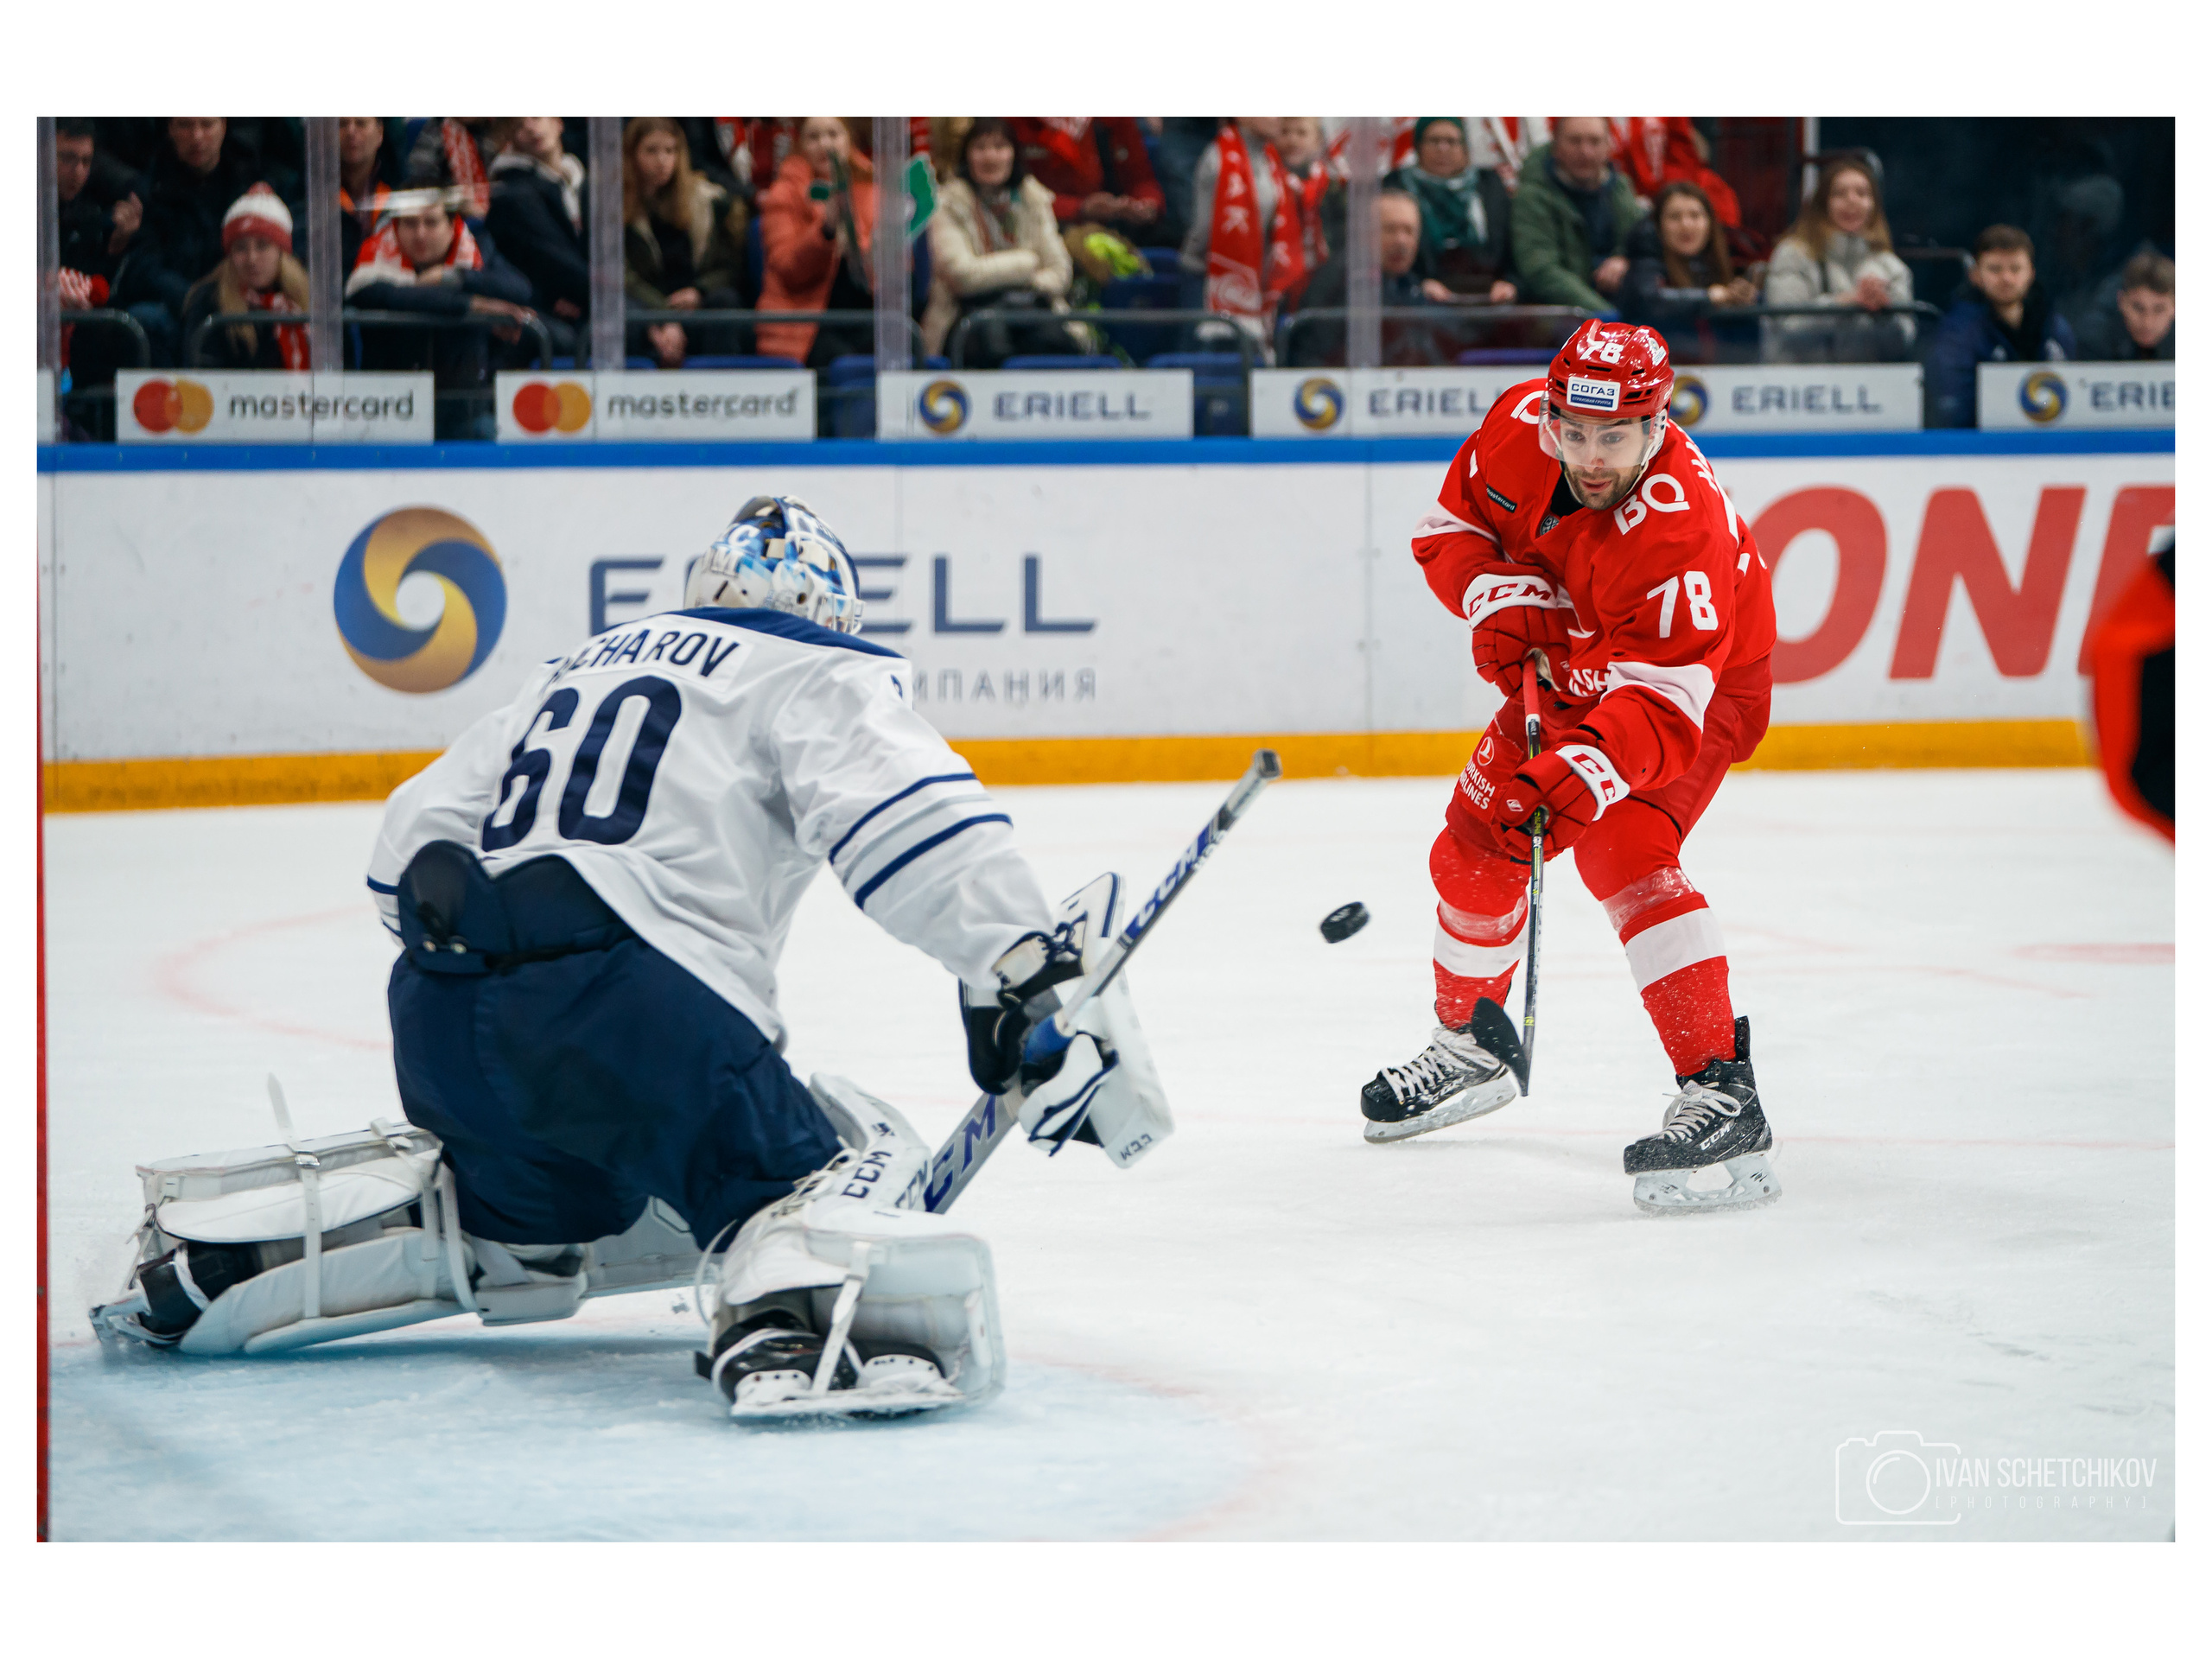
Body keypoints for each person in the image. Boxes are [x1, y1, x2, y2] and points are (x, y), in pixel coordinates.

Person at [90, 496, 1168, 1424]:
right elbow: (911, 823)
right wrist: (1027, 974)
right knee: (812, 1168)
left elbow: (402, 854)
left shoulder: (578, 667)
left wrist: (516, 994)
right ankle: (791, 1318)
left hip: (442, 1016)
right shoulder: (814, 665)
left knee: (547, 1219)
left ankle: (238, 1262)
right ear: (832, 614)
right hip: (633, 1007)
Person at [1370, 320, 1782, 1216]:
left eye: (1615, 436)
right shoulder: (1519, 426)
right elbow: (1448, 527)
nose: (1589, 458)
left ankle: (1722, 1089)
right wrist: (1497, 591)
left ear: (1658, 425)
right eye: (1575, 431)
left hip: (1694, 686)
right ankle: (1472, 1044)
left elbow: (1667, 707)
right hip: (1571, 667)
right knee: (1473, 848)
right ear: (1551, 412)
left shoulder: (1681, 528)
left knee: (1620, 848)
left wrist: (1588, 772)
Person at [348, 188, 536, 438]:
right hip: (391, 411)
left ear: (452, 227)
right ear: (396, 227)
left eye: (431, 222)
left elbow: (520, 289)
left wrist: (452, 277)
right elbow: (392, 296)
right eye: (410, 223)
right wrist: (475, 304)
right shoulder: (374, 264)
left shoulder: (476, 251)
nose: (420, 234)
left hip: (465, 409)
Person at [109, 118, 270, 365]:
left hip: (236, 298)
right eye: (185, 125)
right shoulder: (149, 189)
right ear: (171, 129)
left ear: (223, 126)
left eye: (206, 125)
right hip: (175, 305)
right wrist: (194, 298)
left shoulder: (251, 183)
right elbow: (142, 265)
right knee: (145, 321)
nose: (197, 137)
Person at [921, 118, 1078, 364]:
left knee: (1053, 343)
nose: (990, 157)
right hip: (965, 317)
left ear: (1014, 154)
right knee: (992, 342)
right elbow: (962, 275)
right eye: (981, 148)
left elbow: (1060, 272)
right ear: (967, 156)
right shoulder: (948, 203)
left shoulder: (1034, 198)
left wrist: (1024, 285)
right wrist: (1026, 265)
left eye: (1000, 147)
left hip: (1033, 309)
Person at [1760, 156, 1914, 365]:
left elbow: (1902, 344)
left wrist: (1885, 314)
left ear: (1873, 205)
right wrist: (1846, 303)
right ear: (1823, 204)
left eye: (1862, 193)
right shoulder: (1792, 254)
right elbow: (1787, 328)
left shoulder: (1891, 267)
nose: (1852, 200)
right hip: (1800, 387)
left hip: (1865, 389)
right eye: (1840, 194)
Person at [1924, 225, 2079, 429]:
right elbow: (1954, 412)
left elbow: (2074, 398)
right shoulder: (1957, 334)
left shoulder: (2055, 328)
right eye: (1995, 269)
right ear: (1975, 275)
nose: (2006, 278)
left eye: (2015, 269)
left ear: (2031, 273)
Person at [622, 117, 747, 367]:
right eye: (651, 151)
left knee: (726, 303)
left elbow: (729, 266)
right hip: (648, 309)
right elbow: (622, 276)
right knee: (626, 313)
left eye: (670, 150)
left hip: (694, 307)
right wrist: (662, 315)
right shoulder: (616, 207)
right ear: (632, 154)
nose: (662, 161)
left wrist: (699, 291)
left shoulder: (707, 203)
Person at [755, 116, 876, 367]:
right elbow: (789, 268)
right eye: (813, 137)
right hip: (807, 324)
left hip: (867, 316)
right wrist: (826, 231)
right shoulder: (784, 193)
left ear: (848, 140)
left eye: (833, 134)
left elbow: (892, 272)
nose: (825, 144)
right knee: (844, 363)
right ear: (800, 145)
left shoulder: (872, 189)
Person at [1287, 188, 1452, 367]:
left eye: (1409, 231)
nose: (1401, 240)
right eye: (1390, 229)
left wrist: (1428, 299)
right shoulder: (1341, 281)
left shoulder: (1408, 283)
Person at [1179, 118, 1307, 351]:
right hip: (1208, 279)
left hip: (1259, 281)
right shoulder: (1220, 156)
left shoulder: (1271, 159)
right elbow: (1203, 229)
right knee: (1211, 365)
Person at [1509, 117, 1640, 313]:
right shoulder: (1532, 196)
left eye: (1594, 141)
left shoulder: (1621, 188)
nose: (1585, 152)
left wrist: (1624, 259)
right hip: (1564, 319)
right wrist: (1605, 317)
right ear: (1556, 145)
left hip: (1623, 311)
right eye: (1575, 141)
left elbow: (1643, 245)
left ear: (1608, 146)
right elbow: (1541, 270)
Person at [1620, 180, 1759, 364]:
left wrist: (1744, 298)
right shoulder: (1644, 263)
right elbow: (1651, 301)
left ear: (1709, 222)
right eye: (1675, 217)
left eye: (1695, 216)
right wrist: (1710, 297)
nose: (1686, 225)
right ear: (1658, 224)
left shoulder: (1724, 263)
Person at [485, 117, 590, 357]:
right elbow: (552, 260)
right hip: (544, 306)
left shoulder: (585, 183)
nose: (531, 128)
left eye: (535, 116)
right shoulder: (512, 192)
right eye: (519, 125)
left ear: (558, 121)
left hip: (583, 300)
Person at [180, 185, 311, 370]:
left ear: (281, 253)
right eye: (241, 248)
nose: (251, 259)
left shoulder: (304, 301)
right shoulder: (208, 302)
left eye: (262, 246)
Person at [1389, 116, 1516, 302]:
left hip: (1492, 300)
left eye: (1451, 141)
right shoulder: (1396, 187)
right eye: (1434, 141)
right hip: (1420, 303)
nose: (1443, 149)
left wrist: (1510, 284)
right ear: (1417, 146)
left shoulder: (1490, 186)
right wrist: (1415, 286)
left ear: (1465, 147)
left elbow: (1513, 243)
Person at [1010, 117, 1164, 245]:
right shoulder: (1016, 122)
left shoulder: (1112, 120)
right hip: (1036, 231)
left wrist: (1147, 205)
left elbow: (1142, 180)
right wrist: (1080, 208)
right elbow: (1010, 195)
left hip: (1109, 230)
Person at [2075, 250, 2175, 361]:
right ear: (2121, 301)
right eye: (2138, 308)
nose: (2147, 322)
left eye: (2159, 309)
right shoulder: (2093, 341)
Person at [338, 117, 404, 273]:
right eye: (341, 124)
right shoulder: (308, 193)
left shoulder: (403, 190)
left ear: (380, 133)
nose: (351, 132)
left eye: (360, 123)